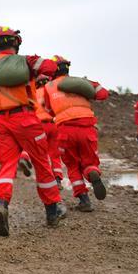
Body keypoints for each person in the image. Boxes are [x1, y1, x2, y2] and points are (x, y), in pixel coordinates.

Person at [0, 26, 64, 237]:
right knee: (42, 163)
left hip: (1, 120)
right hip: (25, 117)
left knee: (7, 165)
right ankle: (52, 211)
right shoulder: (25, 62)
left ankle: (1, 203)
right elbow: (51, 68)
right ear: (16, 42)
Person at [43, 56, 109, 212]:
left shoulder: (48, 87)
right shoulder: (80, 84)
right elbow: (103, 94)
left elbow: (48, 110)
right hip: (87, 126)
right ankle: (92, 171)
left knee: (72, 164)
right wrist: (90, 83)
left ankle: (84, 200)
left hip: (65, 129)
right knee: (90, 160)